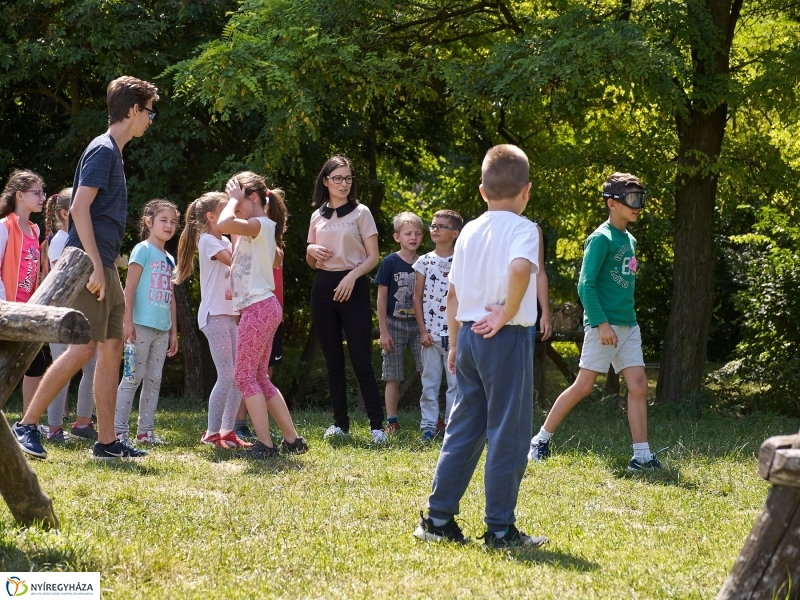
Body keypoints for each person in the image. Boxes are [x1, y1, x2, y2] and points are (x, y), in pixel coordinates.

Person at [13, 75, 159, 460]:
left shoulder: (114, 151)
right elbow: (78, 208)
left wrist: (104, 264)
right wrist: (94, 266)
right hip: (88, 265)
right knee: (82, 350)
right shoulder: (103, 150)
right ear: (132, 110)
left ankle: (107, 442)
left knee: (110, 350)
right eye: (149, 112)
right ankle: (26, 425)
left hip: (105, 264)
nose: (149, 119)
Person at [413, 144, 548, 548]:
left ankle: (437, 521)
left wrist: (454, 344)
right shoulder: (525, 229)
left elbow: (452, 294)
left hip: (468, 336)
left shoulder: (469, 229)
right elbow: (522, 268)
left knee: (464, 427)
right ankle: (500, 529)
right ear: (526, 190)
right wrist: (506, 313)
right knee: (508, 431)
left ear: (482, 191)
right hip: (503, 339)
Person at [528, 172, 662, 472]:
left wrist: (625, 322)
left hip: (629, 325)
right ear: (612, 203)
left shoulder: (629, 239)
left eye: (641, 198)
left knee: (638, 386)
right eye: (631, 199)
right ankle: (540, 440)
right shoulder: (600, 238)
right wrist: (601, 323)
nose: (637, 205)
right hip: (604, 326)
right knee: (584, 386)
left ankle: (641, 457)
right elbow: (585, 285)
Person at [219, 171, 308, 459]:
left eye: (237, 199)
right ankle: (292, 440)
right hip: (261, 307)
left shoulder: (259, 223)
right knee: (259, 376)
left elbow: (222, 223)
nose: (232, 205)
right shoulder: (258, 229)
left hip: (259, 308)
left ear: (253, 198)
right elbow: (265, 259)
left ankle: (265, 444)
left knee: (244, 376)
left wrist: (231, 202)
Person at [306, 156, 386, 444]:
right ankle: (340, 424)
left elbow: (373, 257)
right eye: (337, 178)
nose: (343, 183)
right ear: (325, 181)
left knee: (362, 359)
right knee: (333, 361)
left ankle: (377, 427)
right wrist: (311, 248)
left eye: (348, 178)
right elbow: (311, 261)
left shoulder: (362, 212)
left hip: (353, 285)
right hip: (324, 287)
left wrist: (352, 277)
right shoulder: (317, 216)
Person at [174, 192, 245, 448]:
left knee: (239, 375)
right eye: (227, 212)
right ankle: (211, 433)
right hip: (214, 315)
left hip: (229, 315)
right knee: (227, 374)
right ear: (211, 217)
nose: (232, 216)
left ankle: (227, 431)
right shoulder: (208, 241)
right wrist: (238, 232)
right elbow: (235, 261)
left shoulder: (225, 239)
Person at [113, 200, 179, 445]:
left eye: (173, 222)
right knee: (132, 377)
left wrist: (173, 331)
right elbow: (128, 289)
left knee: (154, 379)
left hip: (162, 330)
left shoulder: (170, 258)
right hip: (138, 325)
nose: (169, 225)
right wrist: (126, 321)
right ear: (149, 222)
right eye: (164, 220)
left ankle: (145, 432)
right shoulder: (142, 249)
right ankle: (119, 431)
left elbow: (171, 297)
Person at [42, 188, 99, 443]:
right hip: (62, 317)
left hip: (83, 313)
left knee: (92, 368)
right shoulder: (60, 240)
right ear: (66, 213)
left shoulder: (80, 238)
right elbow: (60, 279)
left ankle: (83, 423)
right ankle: (54, 428)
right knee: (63, 370)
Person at [412, 209, 463, 441]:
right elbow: (417, 297)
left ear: (455, 233)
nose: (434, 229)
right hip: (430, 336)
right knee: (429, 385)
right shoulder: (424, 261)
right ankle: (428, 427)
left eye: (441, 226)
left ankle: (451, 428)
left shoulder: (462, 261)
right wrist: (422, 331)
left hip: (455, 337)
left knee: (455, 385)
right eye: (432, 225)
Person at [0, 169, 46, 417]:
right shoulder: (3, 228)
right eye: (36, 192)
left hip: (30, 311)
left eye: (43, 192)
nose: (41, 197)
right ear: (19, 195)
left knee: (36, 364)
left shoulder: (35, 230)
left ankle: (29, 422)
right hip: (7, 311)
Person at [375, 211, 424, 433]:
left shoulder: (425, 262)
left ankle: (432, 419)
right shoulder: (389, 262)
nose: (413, 238)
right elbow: (382, 298)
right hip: (394, 324)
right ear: (397, 237)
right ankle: (392, 421)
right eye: (408, 233)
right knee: (392, 375)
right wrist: (383, 331)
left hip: (419, 325)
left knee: (428, 371)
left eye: (417, 234)